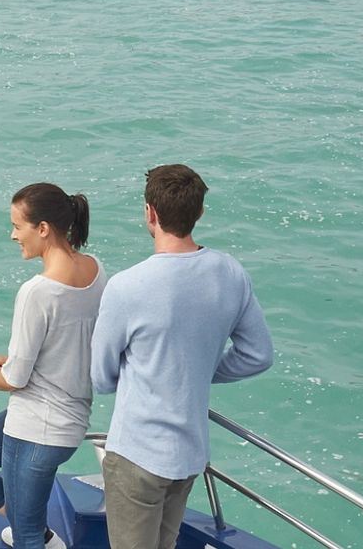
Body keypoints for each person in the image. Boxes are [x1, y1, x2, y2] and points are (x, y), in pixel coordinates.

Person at [90, 164, 274, 549]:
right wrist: (200, 370)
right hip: (190, 454)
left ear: (150, 213)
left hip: (137, 454)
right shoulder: (230, 272)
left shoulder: (127, 286)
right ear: (200, 212)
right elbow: (258, 355)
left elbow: (101, 378)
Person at [0, 183, 108, 549]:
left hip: (35, 429)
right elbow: (64, 344)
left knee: (25, 536)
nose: (13, 235)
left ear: (43, 228)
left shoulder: (37, 291)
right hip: (70, 420)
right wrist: (13, 361)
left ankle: (31, 526)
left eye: (18, 226)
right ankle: (30, 519)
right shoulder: (95, 271)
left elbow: (15, 379)